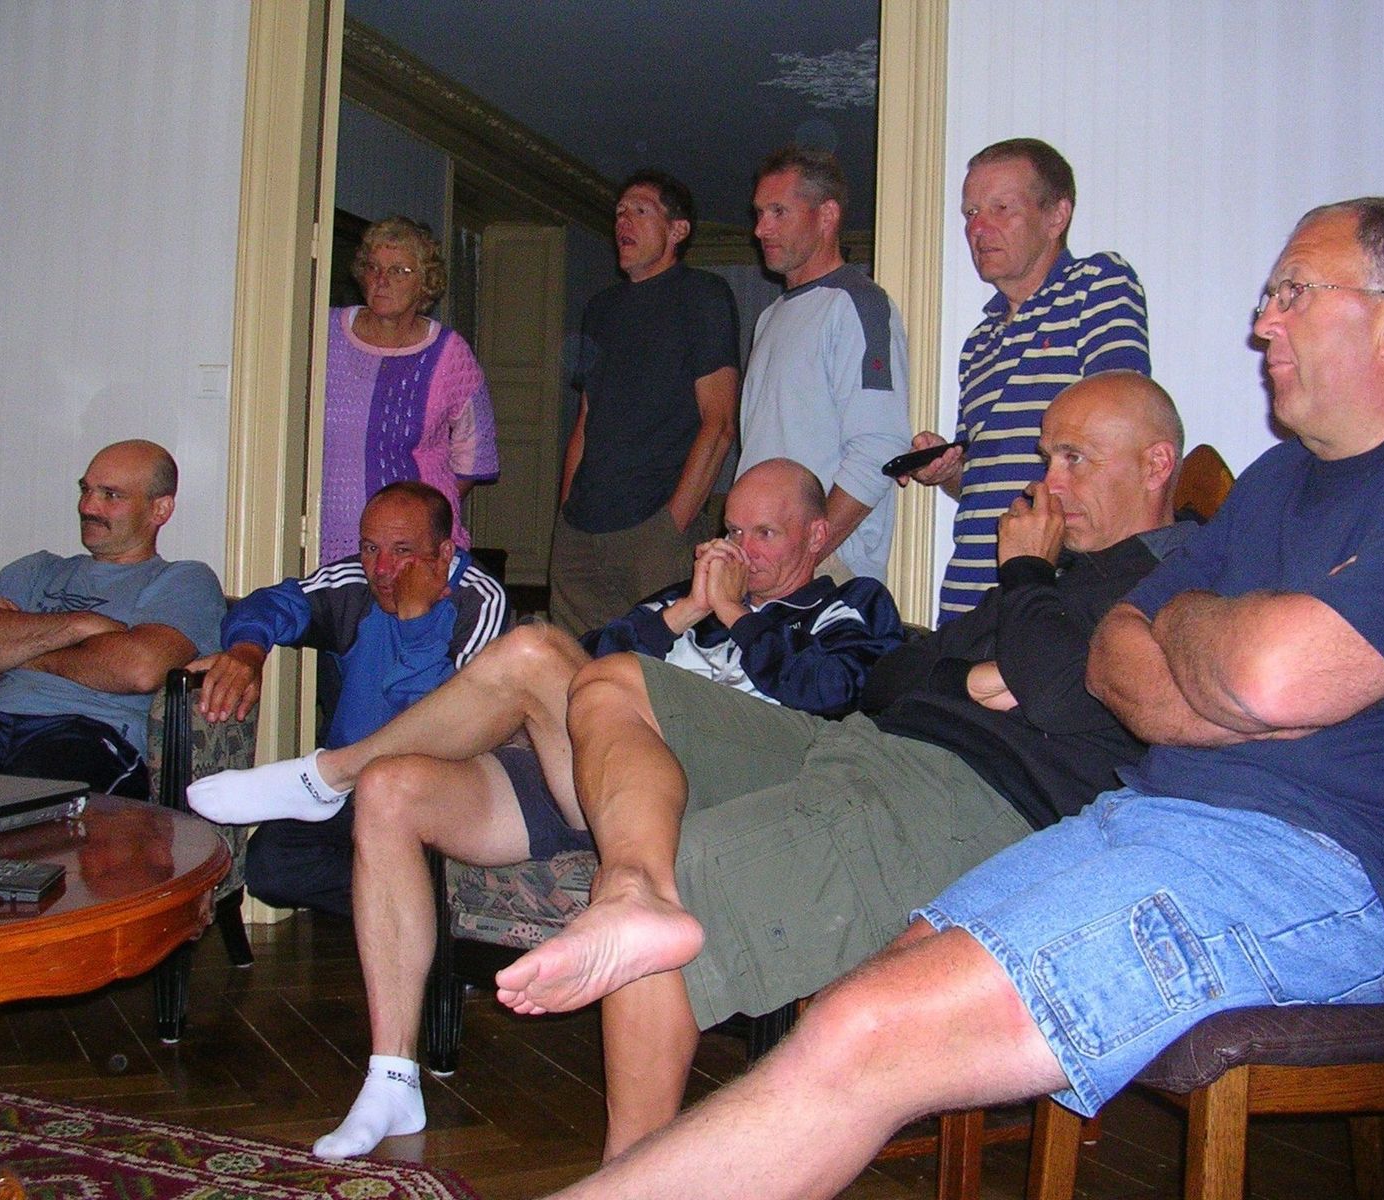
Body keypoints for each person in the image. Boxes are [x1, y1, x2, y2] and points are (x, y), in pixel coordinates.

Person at [527, 196, 1384, 1200]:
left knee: (870, 1028)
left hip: (1341, 870)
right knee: (860, 1002)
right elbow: (1118, 671)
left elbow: (1259, 677)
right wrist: (1210, 655)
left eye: (1294, 292)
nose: (1262, 321)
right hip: (1151, 819)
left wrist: (1180, 636)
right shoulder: (1273, 483)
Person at [496, 370, 1193, 1158]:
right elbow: (891, 675)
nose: (1049, 484)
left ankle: (630, 1174)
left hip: (961, 796)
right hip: (864, 743)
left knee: (690, 874)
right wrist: (974, 676)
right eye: (1047, 458)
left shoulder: (1176, 582)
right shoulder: (1060, 575)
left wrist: (1026, 575)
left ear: (1155, 463)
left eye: (1074, 459)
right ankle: (632, 887)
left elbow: (1064, 701)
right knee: (612, 682)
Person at [184, 457, 903, 1161]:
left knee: (531, 651)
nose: (740, 552)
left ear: (817, 536)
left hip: (698, 793)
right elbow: (593, 662)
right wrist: (688, 610)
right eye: (732, 532)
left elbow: (831, 693)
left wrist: (734, 614)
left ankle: (328, 775)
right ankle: (392, 1078)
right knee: (393, 790)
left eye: (764, 535)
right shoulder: (684, 599)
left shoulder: (853, 605)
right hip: (596, 777)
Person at [189, 481, 508, 915]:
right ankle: (412, 906)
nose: (382, 568)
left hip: (436, 790)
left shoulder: (480, 601)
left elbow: (447, 726)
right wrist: (247, 649)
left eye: (402, 551)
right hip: (346, 784)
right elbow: (271, 603)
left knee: (424, 859)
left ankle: (418, 910)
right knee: (268, 867)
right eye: (370, 548)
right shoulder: (354, 582)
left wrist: (415, 621)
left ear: (444, 553)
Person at [900, 138, 1150, 621]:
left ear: (1057, 216)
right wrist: (949, 471)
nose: (978, 228)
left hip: (1054, 594)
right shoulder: (979, 342)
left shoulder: (1097, 284)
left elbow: (1123, 424)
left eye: (1001, 208)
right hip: (969, 594)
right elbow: (981, 481)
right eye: (971, 212)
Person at [0, 441, 223, 799]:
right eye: (86, 489)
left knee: (31, 806)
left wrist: (17, 648)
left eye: (110, 495)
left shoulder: (183, 579)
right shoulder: (36, 569)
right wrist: (82, 626)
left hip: (89, 732)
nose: (87, 506)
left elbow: (140, 669)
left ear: (160, 508)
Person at [549, 170, 741, 636]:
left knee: (656, 661)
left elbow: (719, 424)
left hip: (653, 529)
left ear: (678, 230)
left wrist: (672, 523)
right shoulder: (601, 309)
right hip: (580, 531)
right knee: (573, 661)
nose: (623, 221)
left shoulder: (703, 296)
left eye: (640, 210)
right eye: (619, 212)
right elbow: (585, 420)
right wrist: (565, 512)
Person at [736, 146, 911, 583]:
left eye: (778, 212)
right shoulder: (770, 317)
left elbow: (880, 447)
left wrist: (806, 557)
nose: (761, 229)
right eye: (759, 213)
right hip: (762, 561)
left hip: (823, 568)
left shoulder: (858, 304)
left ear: (827, 215)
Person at [320, 215, 499, 565]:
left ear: (425, 283)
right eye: (373, 267)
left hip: (414, 544)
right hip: (329, 533)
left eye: (398, 271)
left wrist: (426, 510)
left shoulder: (449, 353)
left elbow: (475, 451)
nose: (381, 280)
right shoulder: (325, 332)